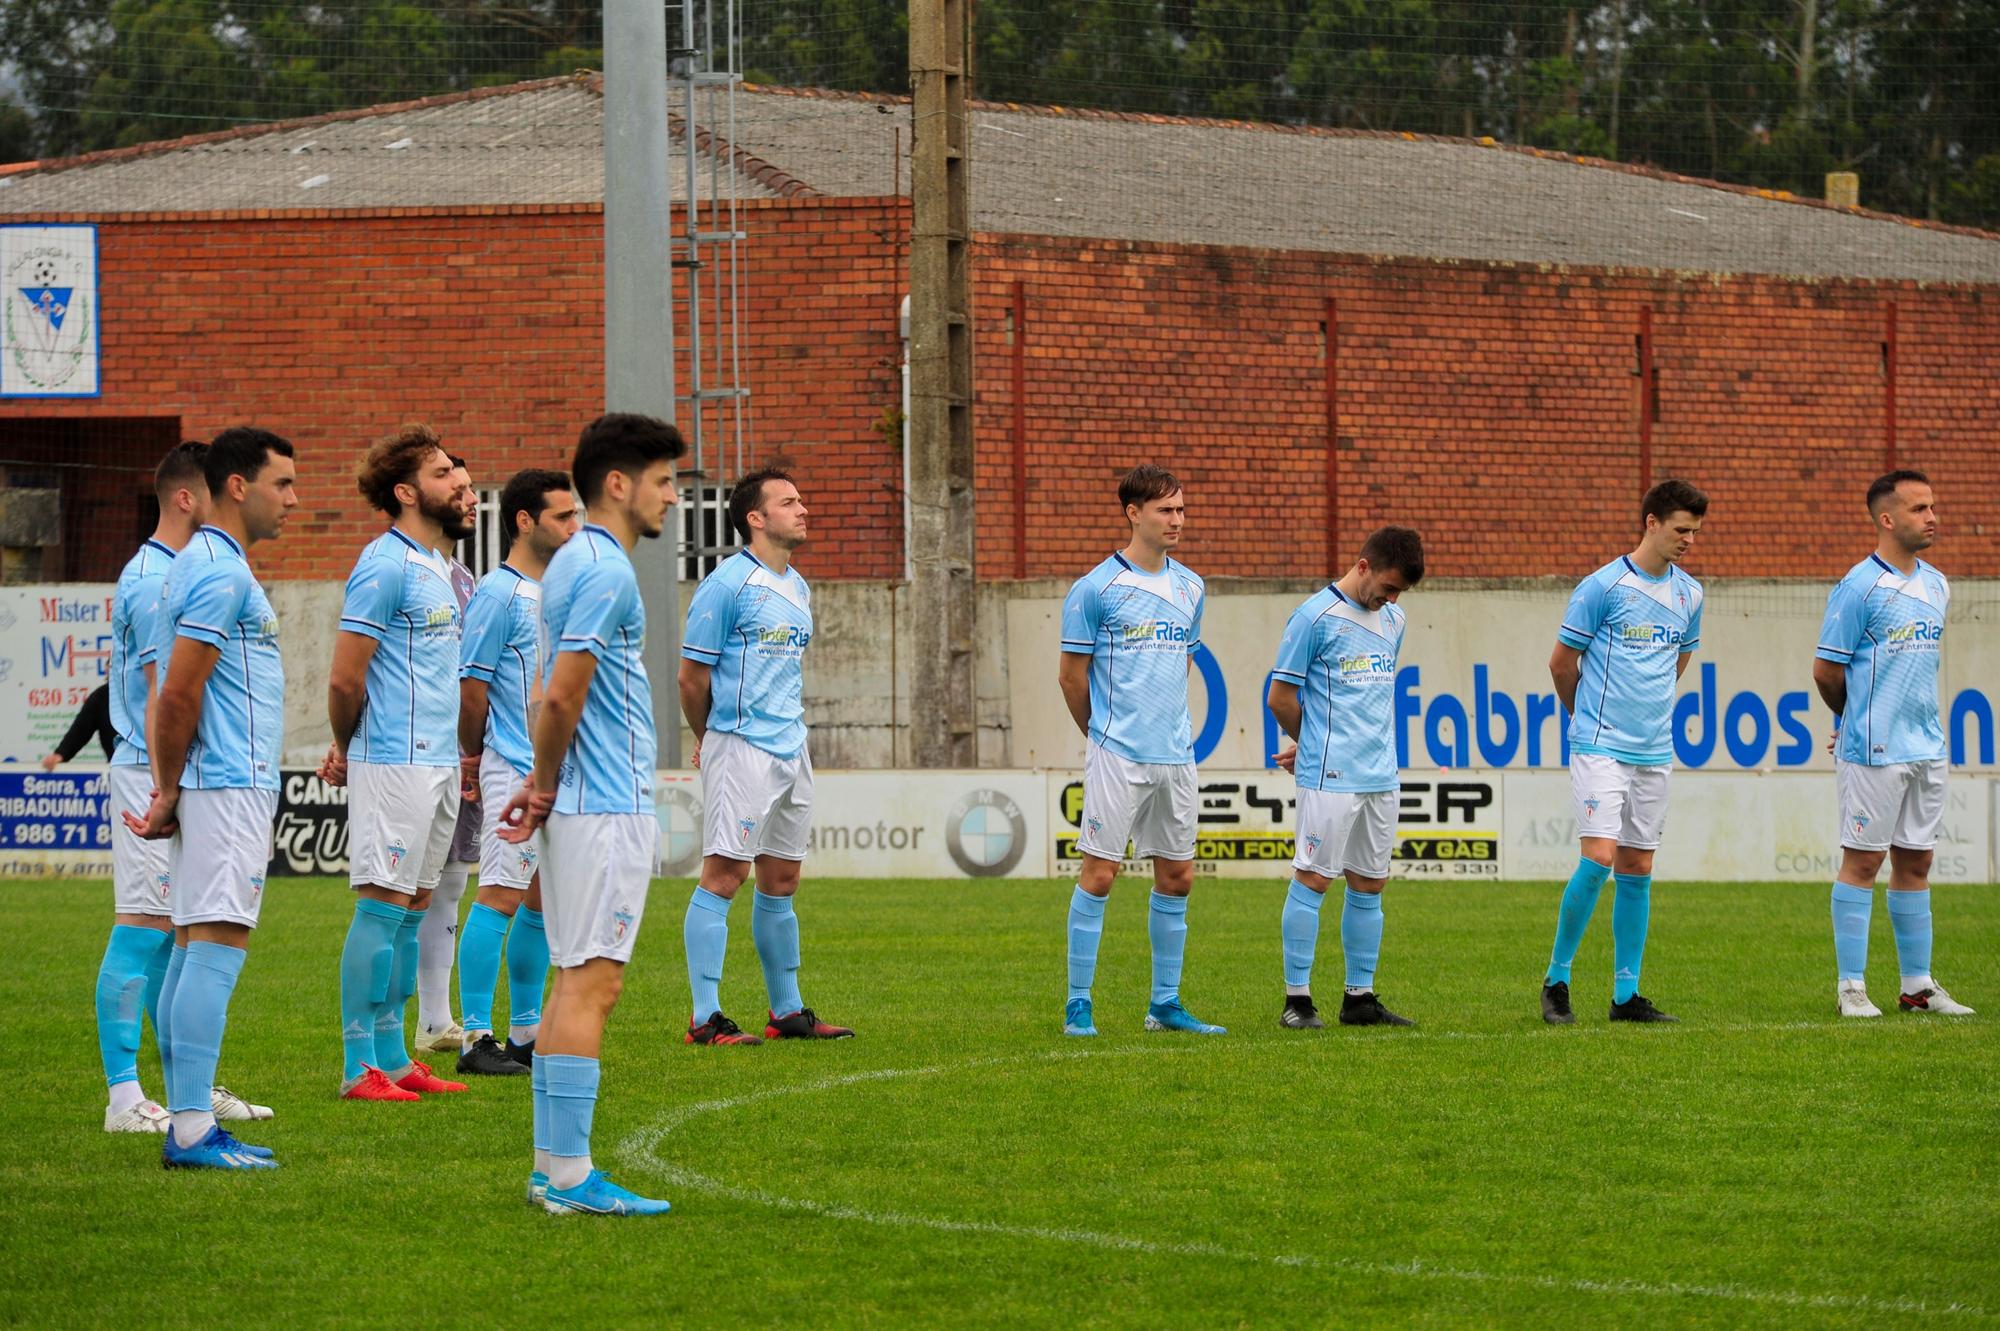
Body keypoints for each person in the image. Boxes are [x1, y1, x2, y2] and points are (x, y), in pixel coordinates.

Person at [496, 413, 682, 1216]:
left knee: (576, 978)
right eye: (666, 481)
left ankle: (550, 1168)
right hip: (602, 803)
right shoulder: (604, 569)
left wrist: (545, 787)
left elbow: (556, 691)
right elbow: (560, 692)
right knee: (591, 986)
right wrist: (542, 782)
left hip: (582, 801)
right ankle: (570, 1177)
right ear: (619, 483)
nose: (674, 497)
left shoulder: (574, 562)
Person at [124, 426, 297, 1170]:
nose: (293, 498)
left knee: (195, 944)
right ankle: (192, 1129)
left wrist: (171, 787)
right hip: (226, 782)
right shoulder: (220, 574)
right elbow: (176, 693)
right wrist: (168, 787)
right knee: (214, 948)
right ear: (237, 485)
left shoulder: (202, 565)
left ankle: (189, 1119)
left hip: (217, 781)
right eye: (282, 483)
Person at [678, 468, 853, 1046]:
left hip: (790, 745)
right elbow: (690, 677)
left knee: (781, 878)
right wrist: (712, 737)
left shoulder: (797, 585)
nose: (803, 509)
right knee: (726, 873)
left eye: (801, 499)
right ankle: (705, 1017)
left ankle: (787, 1011)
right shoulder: (727, 584)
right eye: (789, 501)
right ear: (756, 518)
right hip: (741, 745)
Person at [324, 426, 470, 1101]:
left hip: (438, 760)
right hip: (395, 759)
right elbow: (346, 678)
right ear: (408, 492)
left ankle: (394, 1053)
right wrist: (348, 745)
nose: (459, 484)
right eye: (444, 473)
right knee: (383, 905)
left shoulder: (437, 566)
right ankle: (358, 1065)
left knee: (413, 905)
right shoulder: (382, 563)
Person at [1057, 464, 1221, 1038]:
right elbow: (1071, 678)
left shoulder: (1192, 587)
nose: (1177, 520)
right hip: (1116, 754)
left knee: (1177, 876)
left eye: (1180, 509)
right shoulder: (1095, 588)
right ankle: (1079, 1003)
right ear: (1133, 513)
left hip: (1175, 754)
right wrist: (1098, 736)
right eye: (1165, 511)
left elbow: (1183, 662)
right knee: (1100, 874)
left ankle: (1166, 1004)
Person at [1540, 479, 1707, 1025]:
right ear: (1651, 522)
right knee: (1599, 859)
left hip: (1655, 750)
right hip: (1600, 744)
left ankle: (1625, 996)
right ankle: (1557, 980)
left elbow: (1678, 663)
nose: (1689, 540)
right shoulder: (1602, 587)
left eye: (1695, 532)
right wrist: (1580, 716)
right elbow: (1561, 664)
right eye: (1681, 530)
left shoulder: (1691, 595)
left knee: (1638, 865)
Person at [1813, 470, 1973, 1018]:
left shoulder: (1937, 584)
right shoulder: (1859, 586)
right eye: (1920, 508)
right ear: (1887, 519)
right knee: (1862, 862)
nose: (1933, 517)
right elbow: (1826, 670)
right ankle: (1851, 987)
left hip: (1927, 747)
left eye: (1933, 506)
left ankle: (1917, 986)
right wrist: (1851, 717)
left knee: (1918, 861)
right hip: (1874, 750)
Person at [1267, 527, 1425, 1031]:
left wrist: (1312, 736)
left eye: (1399, 592)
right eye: (1388, 586)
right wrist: (1312, 743)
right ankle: (1298, 999)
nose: (1391, 598)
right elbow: (1280, 698)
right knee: (1314, 878)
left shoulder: (1394, 619)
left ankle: (1359, 998)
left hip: (1381, 774)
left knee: (1370, 883)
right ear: (1363, 566)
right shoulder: (1314, 617)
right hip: (1331, 775)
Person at [453, 468, 578, 1075]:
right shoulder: (498, 594)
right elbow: (471, 687)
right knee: (499, 895)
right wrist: (472, 760)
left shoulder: (558, 591)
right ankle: (476, 1037)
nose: (574, 526)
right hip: (510, 763)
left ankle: (526, 1035)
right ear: (526, 520)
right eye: (563, 516)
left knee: (539, 903)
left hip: (552, 769)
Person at [413, 455, 482, 1053]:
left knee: (453, 879)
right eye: (456, 488)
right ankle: (383, 1040)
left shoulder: (467, 582)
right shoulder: (400, 568)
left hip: (463, 753)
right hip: (413, 754)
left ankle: (436, 1019)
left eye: (470, 490)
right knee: (404, 891)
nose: (468, 499)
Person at [39, 683, 112, 769]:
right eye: (108, 668)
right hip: (118, 769)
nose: (107, 669)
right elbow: (81, 730)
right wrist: (61, 754)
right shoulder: (102, 695)